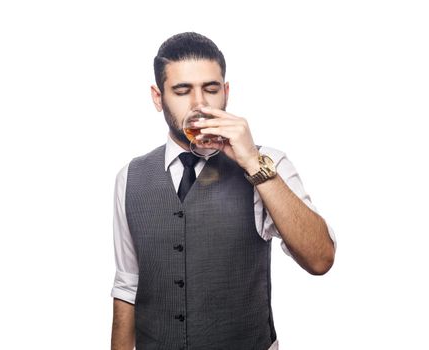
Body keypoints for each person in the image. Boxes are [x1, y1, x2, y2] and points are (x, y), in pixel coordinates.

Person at [110, 32, 336, 350]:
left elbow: (320, 259)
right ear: (158, 97)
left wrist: (254, 164)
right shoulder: (130, 177)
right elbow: (127, 285)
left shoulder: (268, 164)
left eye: (211, 89)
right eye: (182, 91)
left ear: (226, 92)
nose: (199, 104)